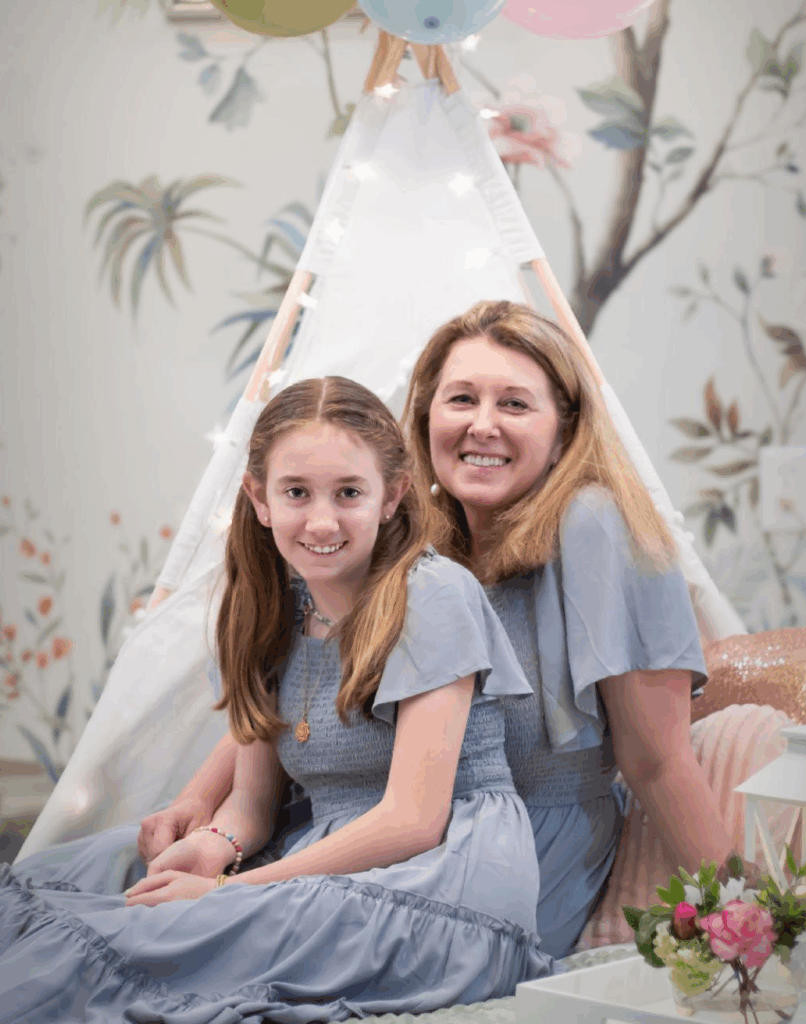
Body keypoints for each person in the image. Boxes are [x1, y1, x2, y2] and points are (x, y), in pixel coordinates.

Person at [139, 301, 744, 961]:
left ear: (565, 429)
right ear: (425, 415)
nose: (481, 425)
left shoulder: (594, 525)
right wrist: (200, 799)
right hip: (380, 837)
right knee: (123, 893)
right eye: (460, 399)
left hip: (514, 854)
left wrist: (746, 922)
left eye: (514, 404)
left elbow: (654, 758)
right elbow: (308, 684)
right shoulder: (412, 544)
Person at [1, 376, 557, 1024]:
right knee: (85, 873)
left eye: (348, 492)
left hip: (443, 879)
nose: (321, 520)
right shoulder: (272, 611)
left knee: (156, 937)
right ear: (258, 499)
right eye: (296, 493)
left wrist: (221, 893)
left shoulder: (431, 594)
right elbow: (253, 802)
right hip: (329, 852)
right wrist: (218, 843)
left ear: (391, 495)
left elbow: (413, 820)